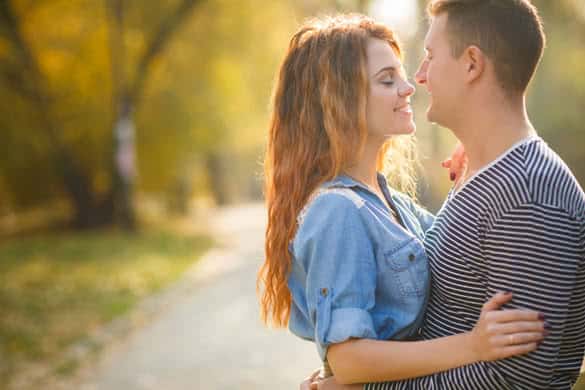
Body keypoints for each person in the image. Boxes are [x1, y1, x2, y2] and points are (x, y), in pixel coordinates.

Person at [256, 12, 547, 387]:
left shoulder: (385, 199)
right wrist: (473, 346)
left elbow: (452, 257)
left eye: (401, 75)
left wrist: (472, 166)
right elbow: (350, 359)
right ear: (340, 99)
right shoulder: (336, 211)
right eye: (387, 80)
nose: (409, 87)